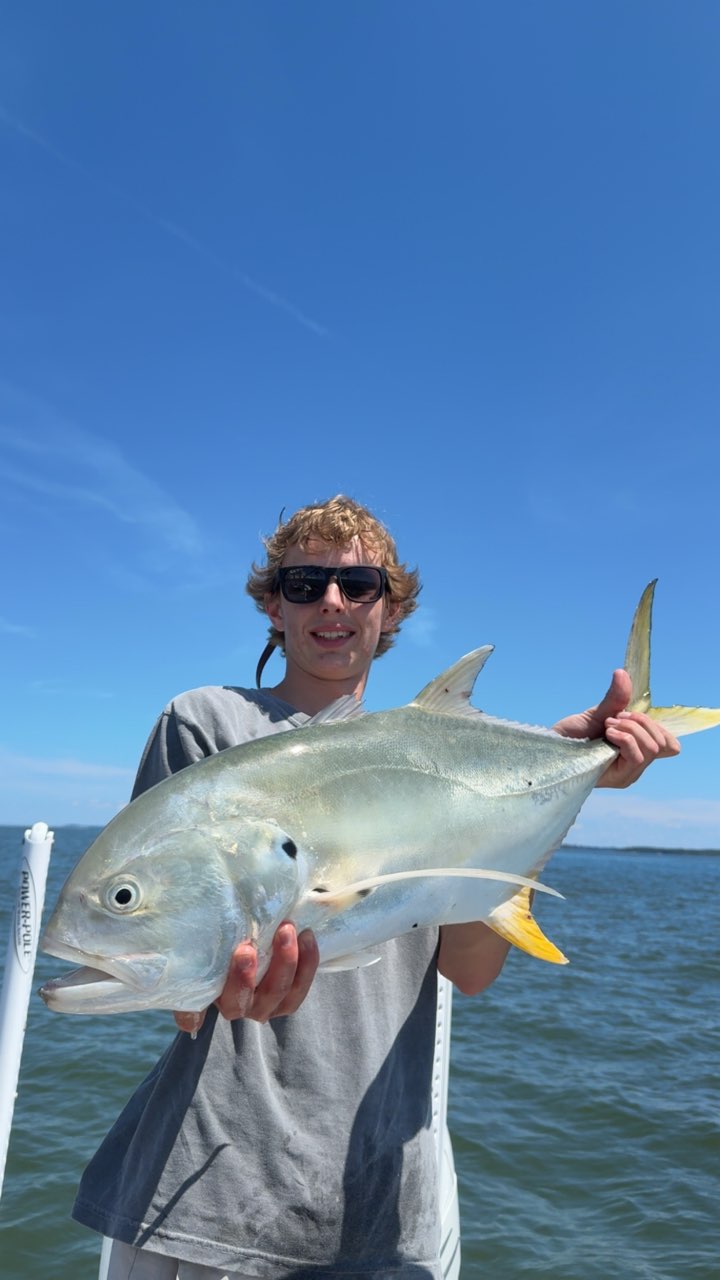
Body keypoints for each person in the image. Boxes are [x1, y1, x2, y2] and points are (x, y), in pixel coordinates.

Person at [72, 496, 679, 1280]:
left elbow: (471, 970)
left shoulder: (441, 750)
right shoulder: (208, 725)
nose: (332, 601)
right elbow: (184, 981)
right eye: (305, 583)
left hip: (383, 1201)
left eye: (358, 585)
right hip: (213, 1188)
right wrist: (201, 991)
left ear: (390, 609)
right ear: (272, 604)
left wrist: (555, 783)